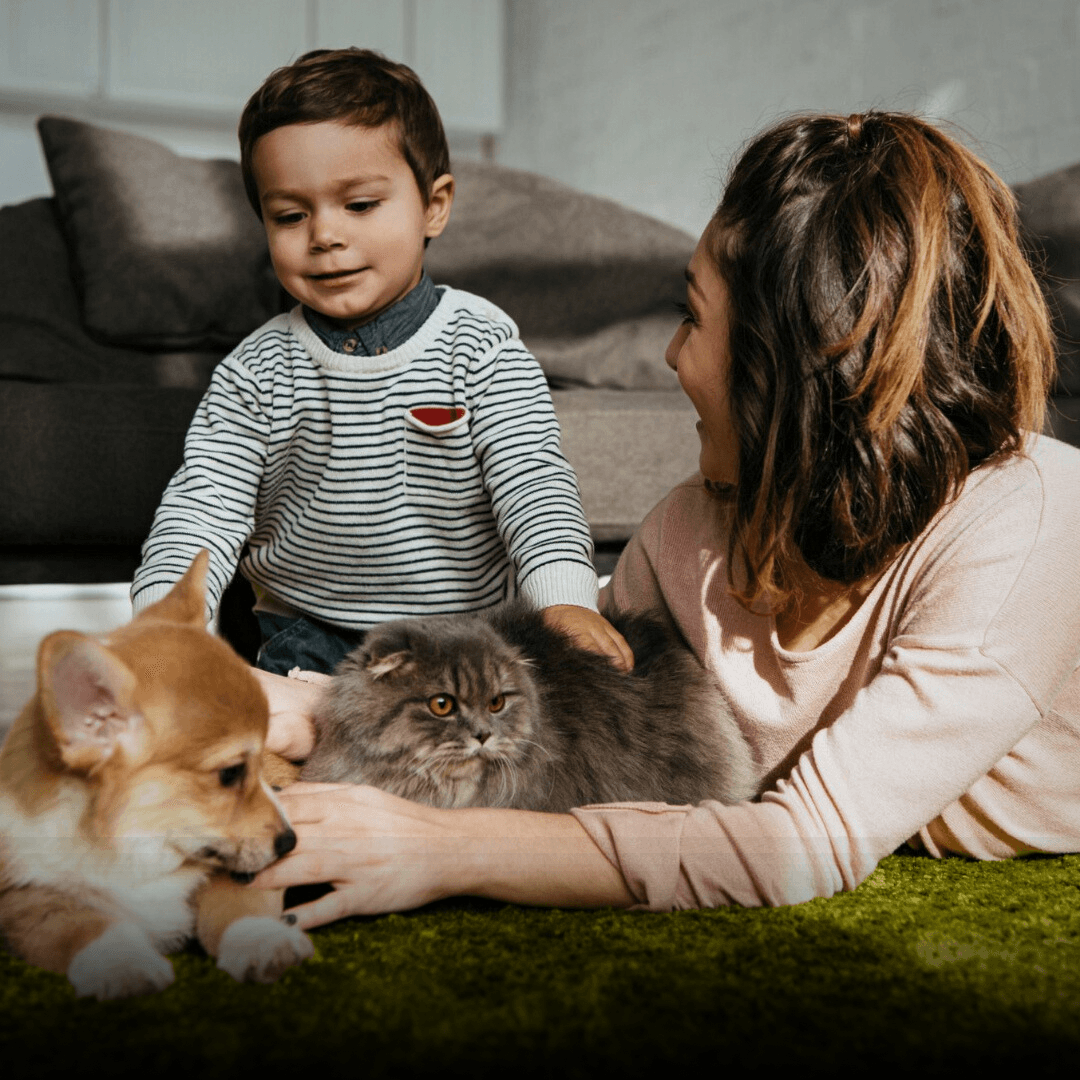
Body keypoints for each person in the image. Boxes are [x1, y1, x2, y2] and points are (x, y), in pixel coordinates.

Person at [249, 110, 1080, 926]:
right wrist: (310, 705)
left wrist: (438, 847)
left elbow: (802, 844)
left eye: (693, 317)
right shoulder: (691, 528)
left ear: (785, 365)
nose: (671, 355)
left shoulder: (1030, 521)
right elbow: (552, 693)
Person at [130, 48, 632, 675]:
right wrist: (166, 624)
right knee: (291, 744)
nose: (324, 236)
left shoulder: (481, 347)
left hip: (465, 636)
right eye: (290, 215)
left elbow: (535, 486)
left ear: (434, 206)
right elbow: (201, 507)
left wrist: (565, 600)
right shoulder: (254, 372)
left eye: (360, 205)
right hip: (310, 631)